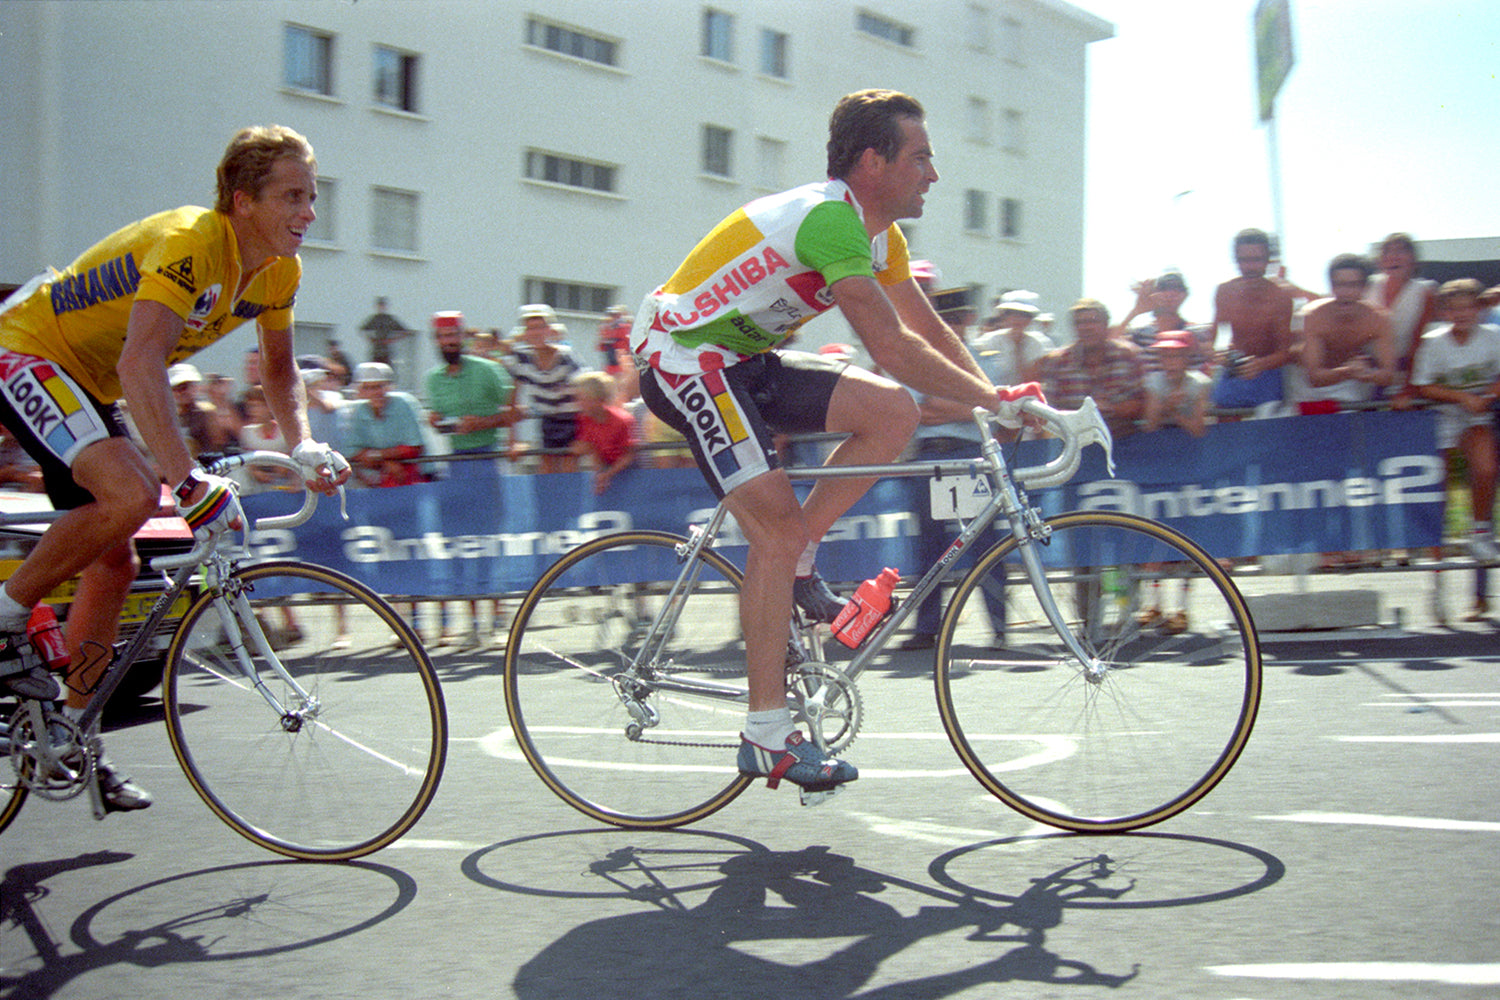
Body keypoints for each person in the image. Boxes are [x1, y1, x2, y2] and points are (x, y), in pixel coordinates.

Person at [633, 89, 1020, 794]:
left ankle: (797, 557)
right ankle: (766, 736)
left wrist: (1000, 394)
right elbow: (891, 345)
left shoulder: (880, 236)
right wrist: (991, 401)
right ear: (874, 162)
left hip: (745, 361)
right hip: (684, 357)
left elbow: (929, 332)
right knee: (772, 536)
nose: (933, 174)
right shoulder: (828, 222)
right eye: (922, 157)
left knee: (893, 415)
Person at [0, 125, 349, 812]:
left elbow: (280, 370)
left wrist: (303, 442)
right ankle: (7, 610)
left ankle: (72, 735)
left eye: (312, 196)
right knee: (134, 492)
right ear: (242, 201)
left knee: (115, 563)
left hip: (88, 381)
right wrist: (186, 482)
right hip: (27, 351)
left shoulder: (281, 268)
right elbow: (143, 364)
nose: (309, 212)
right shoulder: (192, 242)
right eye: (293, 196)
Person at [424, 310, 515, 647]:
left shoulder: (489, 369)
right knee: (461, 543)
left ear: (463, 337)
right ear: (437, 341)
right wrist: (435, 421)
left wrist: (482, 423)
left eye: (454, 336)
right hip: (455, 463)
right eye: (443, 338)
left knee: (491, 539)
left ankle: (498, 615)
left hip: (487, 458)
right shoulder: (433, 378)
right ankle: (474, 621)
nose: (449, 342)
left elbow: (514, 411)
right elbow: (437, 417)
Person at [1410, 279, 1500, 565]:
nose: (1462, 314)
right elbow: (1422, 386)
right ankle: (1435, 562)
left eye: (1468, 307)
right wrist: (1461, 397)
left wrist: (1486, 396)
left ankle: (1480, 532)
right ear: (1444, 312)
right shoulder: (1433, 342)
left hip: (1477, 414)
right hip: (1442, 417)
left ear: (1479, 309)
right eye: (1454, 309)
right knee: (1438, 489)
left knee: (1486, 467)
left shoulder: (1493, 337)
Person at [1211, 229, 1295, 416]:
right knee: (1221, 412)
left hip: (1269, 370)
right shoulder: (1224, 292)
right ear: (1236, 260)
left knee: (1270, 422)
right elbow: (1215, 339)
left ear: (1268, 260)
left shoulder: (1280, 297)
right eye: (1243, 260)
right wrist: (1220, 354)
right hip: (1235, 367)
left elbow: (1284, 352)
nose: (1249, 267)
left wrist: (1260, 364)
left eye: (1256, 259)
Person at [1296, 254, 1396, 412]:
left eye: (1353, 285)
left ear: (1365, 288)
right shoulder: (1313, 316)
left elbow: (1389, 375)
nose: (1345, 292)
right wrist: (1349, 371)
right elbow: (1313, 377)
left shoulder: (1379, 319)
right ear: (1331, 286)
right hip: (1307, 387)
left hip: (1350, 385)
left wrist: (1366, 374)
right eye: (1339, 285)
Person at [1035, 299, 1146, 438]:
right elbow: (1048, 412)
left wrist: (1109, 408)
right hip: (1075, 443)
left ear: (1106, 325)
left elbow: (1142, 406)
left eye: (1093, 321)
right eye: (1080, 323)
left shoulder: (1127, 357)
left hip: (1123, 439)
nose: (1086, 327)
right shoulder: (1057, 362)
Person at [505, 304, 582, 473]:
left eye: (540, 327)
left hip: (573, 422)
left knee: (569, 472)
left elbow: (584, 395)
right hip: (547, 422)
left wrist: (586, 436)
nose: (536, 333)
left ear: (550, 330)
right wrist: (513, 441)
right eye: (530, 328)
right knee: (545, 472)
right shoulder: (521, 358)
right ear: (524, 333)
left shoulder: (566, 356)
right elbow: (513, 399)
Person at [1365, 233, 1438, 397]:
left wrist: (1409, 386)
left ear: (1414, 260)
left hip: (1404, 369)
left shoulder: (1426, 292)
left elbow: (1417, 342)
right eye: (1387, 252)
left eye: (1400, 251)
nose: (1393, 256)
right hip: (1366, 369)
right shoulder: (1367, 285)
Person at [345, 362, 428, 488]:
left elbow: (415, 447)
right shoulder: (359, 410)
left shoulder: (404, 403)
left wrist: (376, 455)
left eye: (379, 387)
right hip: (376, 481)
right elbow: (352, 451)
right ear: (360, 391)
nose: (375, 393)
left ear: (390, 387)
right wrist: (385, 463)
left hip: (415, 477)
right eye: (368, 388)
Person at [571, 371, 639, 495]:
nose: (578, 404)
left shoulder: (622, 420)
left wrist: (607, 474)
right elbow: (590, 448)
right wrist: (601, 474)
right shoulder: (583, 419)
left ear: (597, 399)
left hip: (629, 472)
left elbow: (629, 455)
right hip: (605, 470)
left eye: (582, 399)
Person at [358, 296, 413, 369]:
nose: (381, 307)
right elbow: (361, 330)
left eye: (382, 305)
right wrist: (371, 339)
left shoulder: (390, 319)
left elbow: (406, 332)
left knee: (387, 370)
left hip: (387, 352)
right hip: (376, 351)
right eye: (380, 305)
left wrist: (392, 340)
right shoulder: (374, 319)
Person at [596, 305, 634, 376]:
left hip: (621, 363)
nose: (613, 317)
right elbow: (601, 346)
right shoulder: (608, 327)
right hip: (610, 365)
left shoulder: (624, 327)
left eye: (616, 315)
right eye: (612, 315)